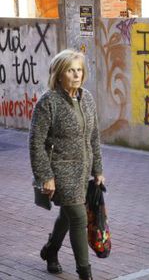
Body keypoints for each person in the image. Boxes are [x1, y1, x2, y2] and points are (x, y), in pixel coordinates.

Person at [29, 49, 105, 279]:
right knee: (79, 217)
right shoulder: (48, 102)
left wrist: (98, 170)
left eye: (79, 70)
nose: (76, 75)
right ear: (59, 74)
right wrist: (45, 176)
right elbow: (36, 142)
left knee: (69, 215)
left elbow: (93, 137)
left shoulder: (87, 98)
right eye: (71, 70)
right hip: (60, 170)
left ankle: (50, 250)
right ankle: (85, 273)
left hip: (83, 170)